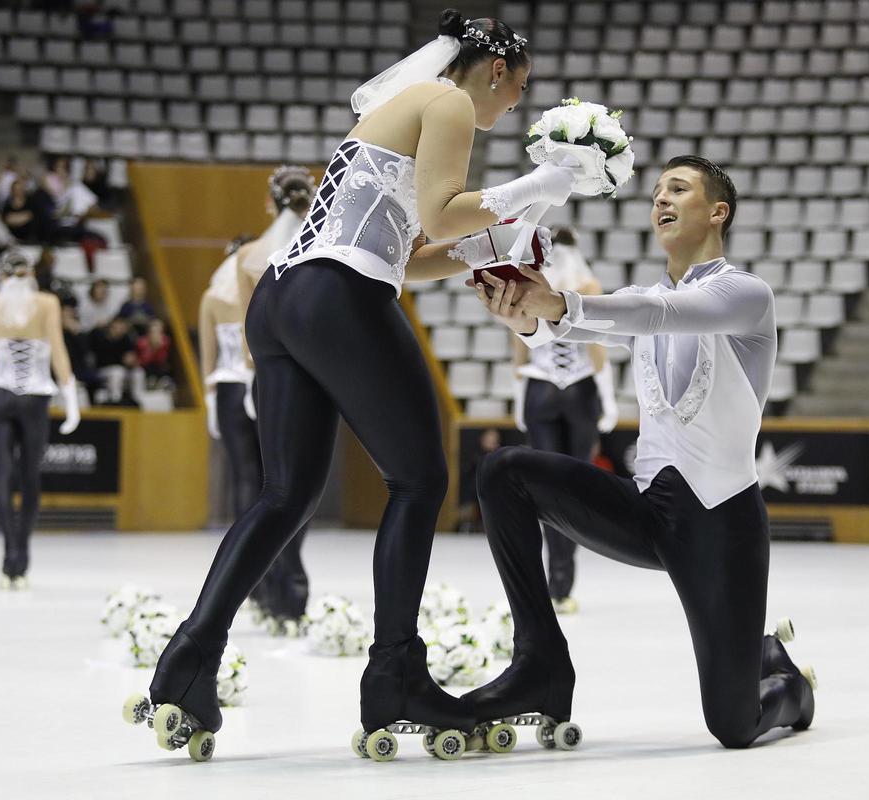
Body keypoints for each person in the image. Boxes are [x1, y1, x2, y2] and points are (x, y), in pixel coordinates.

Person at [139, 8, 578, 759]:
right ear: (496, 72)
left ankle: (188, 660)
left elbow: (409, 255)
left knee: (285, 494)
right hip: (338, 297)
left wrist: (500, 241)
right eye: (518, 90)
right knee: (420, 480)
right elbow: (440, 216)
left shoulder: (397, 108)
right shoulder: (447, 103)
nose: (515, 107)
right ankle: (396, 676)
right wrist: (539, 183)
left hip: (282, 301)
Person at [463, 155, 817, 749]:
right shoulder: (640, 298)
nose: (660, 201)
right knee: (506, 472)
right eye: (655, 193)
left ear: (717, 212)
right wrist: (522, 315)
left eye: (677, 189)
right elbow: (571, 329)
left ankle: (788, 684)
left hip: (721, 526)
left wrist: (557, 306)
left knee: (732, 725)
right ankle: (539, 663)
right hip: (647, 512)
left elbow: (660, 316)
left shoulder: (747, 296)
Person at [199, 166, 315, 635]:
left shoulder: (245, 260)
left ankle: (262, 589)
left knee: (258, 487)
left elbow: (247, 336)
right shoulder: (319, 247)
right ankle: (288, 590)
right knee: (294, 486)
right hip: (298, 378)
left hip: (251, 379)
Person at [510, 226, 619, 614]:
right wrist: (607, 397)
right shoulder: (588, 285)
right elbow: (596, 346)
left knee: (546, 488)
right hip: (580, 389)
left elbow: (519, 344)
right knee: (574, 487)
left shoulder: (529, 286)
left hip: (540, 389)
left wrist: (519, 396)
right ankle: (563, 585)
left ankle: (549, 584)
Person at [0, 249, 80, 589]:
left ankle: (11, 555)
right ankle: (20, 555)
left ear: (3, 275)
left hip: (1, 395)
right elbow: (58, 349)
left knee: (4, 475)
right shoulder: (45, 303)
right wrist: (70, 395)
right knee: (29, 475)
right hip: (34, 396)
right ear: (31, 273)